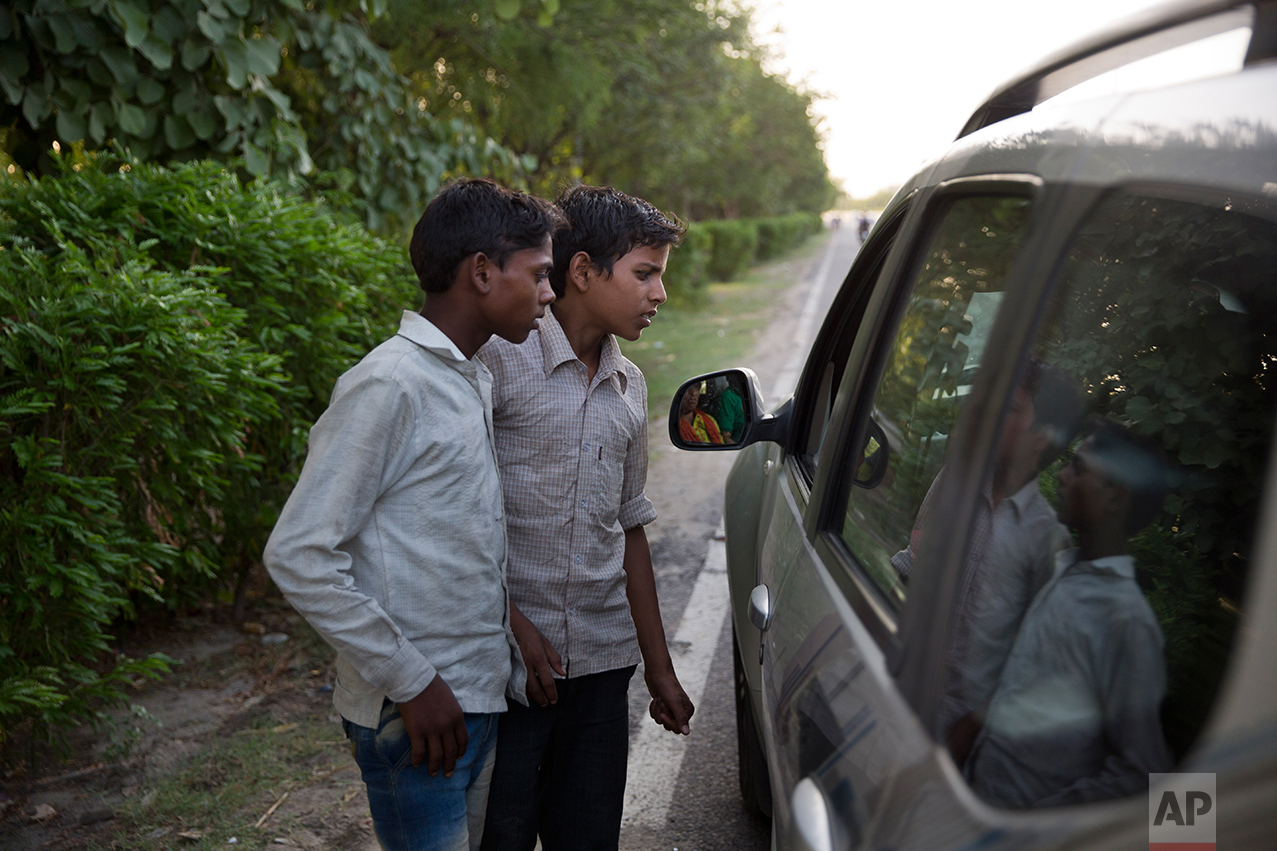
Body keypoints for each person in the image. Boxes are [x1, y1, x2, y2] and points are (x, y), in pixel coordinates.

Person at [263, 178, 559, 851]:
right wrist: (412, 679)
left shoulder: (468, 377)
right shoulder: (388, 383)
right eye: (539, 274)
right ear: (481, 272)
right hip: (418, 712)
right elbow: (299, 552)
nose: (548, 293)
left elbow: (449, 537)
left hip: (473, 696)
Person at [477, 184, 695, 851]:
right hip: (509, 668)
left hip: (602, 667)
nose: (658, 293)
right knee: (498, 833)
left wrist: (657, 668)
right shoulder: (498, 362)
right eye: (644, 273)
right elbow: (455, 516)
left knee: (587, 835)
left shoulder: (629, 390)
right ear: (581, 271)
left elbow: (627, 527)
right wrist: (509, 620)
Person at [965, 419, 1174, 808]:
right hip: (976, 804)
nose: (1061, 475)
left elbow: (1145, 771)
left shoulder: (1125, 618)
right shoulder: (1065, 570)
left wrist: (1042, 826)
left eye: (1078, 468)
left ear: (1115, 496)